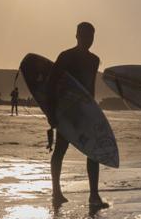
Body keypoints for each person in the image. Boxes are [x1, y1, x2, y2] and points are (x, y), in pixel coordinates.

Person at [46, 22, 108, 208]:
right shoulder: (65, 57)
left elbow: (90, 89)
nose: (88, 40)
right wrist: (51, 113)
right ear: (77, 36)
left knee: (93, 152)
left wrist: (94, 112)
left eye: (91, 37)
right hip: (66, 112)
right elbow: (51, 84)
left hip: (85, 112)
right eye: (85, 36)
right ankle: (56, 192)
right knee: (60, 150)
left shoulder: (94, 60)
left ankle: (94, 196)